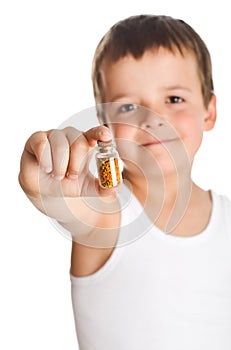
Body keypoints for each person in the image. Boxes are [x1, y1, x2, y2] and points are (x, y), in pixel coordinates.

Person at [19, 15, 231, 350]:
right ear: (105, 124)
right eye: (128, 106)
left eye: (174, 99)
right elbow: (74, 209)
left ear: (209, 111)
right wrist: (50, 178)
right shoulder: (106, 216)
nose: (152, 119)